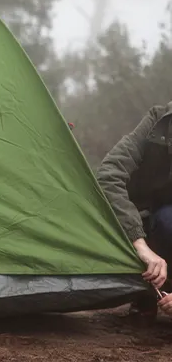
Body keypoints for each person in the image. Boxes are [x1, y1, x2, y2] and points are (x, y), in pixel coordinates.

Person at [96, 102, 172, 320]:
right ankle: (146, 291)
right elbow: (109, 176)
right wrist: (139, 243)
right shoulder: (159, 120)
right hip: (146, 224)